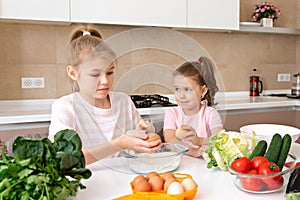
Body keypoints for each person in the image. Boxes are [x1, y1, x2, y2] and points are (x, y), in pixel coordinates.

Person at [48, 26, 161, 164]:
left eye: (110, 72)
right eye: (95, 74)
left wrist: (144, 133)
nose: (105, 81)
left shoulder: (123, 101)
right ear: (73, 73)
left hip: (123, 178)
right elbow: (67, 159)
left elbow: (138, 141)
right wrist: (120, 143)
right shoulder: (65, 107)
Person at [163, 57, 223, 158]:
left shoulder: (210, 114)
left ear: (203, 91)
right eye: (177, 89)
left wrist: (199, 140)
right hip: (180, 164)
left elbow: (220, 140)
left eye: (187, 89)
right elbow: (170, 141)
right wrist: (194, 152)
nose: (181, 95)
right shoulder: (171, 113)